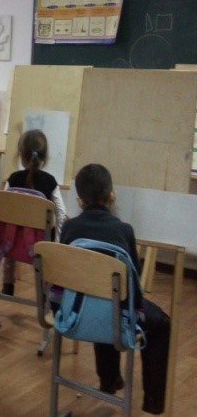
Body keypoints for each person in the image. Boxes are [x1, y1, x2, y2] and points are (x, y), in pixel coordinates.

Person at [59, 163, 170, 415]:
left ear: (79, 200)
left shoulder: (69, 228)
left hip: (75, 311)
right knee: (159, 322)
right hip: (114, 311)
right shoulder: (123, 230)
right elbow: (133, 280)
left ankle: (109, 379)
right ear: (112, 196)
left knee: (101, 298)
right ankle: (153, 402)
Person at [1, 129, 67, 296]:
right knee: (44, 235)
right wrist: (56, 243)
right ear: (45, 157)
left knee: (12, 230)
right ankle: (44, 292)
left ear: (20, 156)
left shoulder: (13, 179)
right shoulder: (50, 182)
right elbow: (62, 213)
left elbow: (2, 209)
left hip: (11, 244)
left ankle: (7, 284)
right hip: (40, 246)